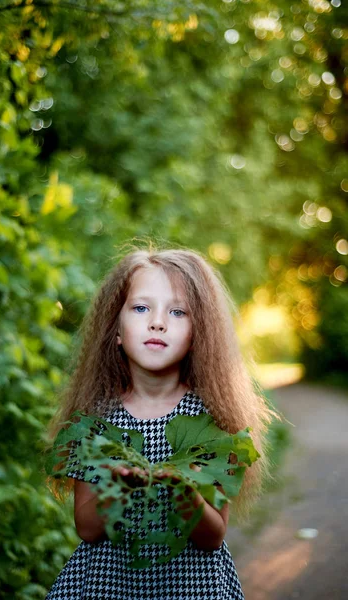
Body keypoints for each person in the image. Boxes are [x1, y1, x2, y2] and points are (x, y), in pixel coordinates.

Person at [45, 248, 274, 600]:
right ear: (116, 330)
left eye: (177, 311)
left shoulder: (211, 419)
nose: (157, 322)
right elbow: (87, 528)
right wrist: (117, 490)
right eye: (141, 308)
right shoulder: (95, 421)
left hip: (191, 587)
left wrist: (183, 493)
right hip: (109, 586)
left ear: (199, 334)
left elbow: (213, 536)